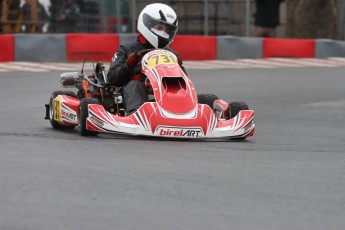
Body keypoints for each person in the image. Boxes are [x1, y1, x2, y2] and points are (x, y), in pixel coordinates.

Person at [107, 3, 185, 114]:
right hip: (133, 92)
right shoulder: (127, 48)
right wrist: (128, 65)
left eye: (167, 30)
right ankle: (136, 114)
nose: (163, 33)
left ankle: (185, 113)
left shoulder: (171, 54)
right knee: (135, 84)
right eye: (159, 28)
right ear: (146, 24)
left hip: (165, 90)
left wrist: (179, 67)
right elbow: (112, 78)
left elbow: (185, 82)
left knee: (179, 88)